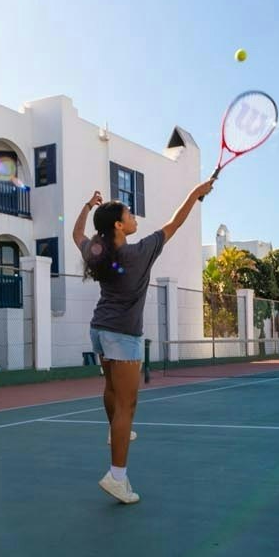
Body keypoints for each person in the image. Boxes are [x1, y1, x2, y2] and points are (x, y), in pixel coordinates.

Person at [75, 178, 215, 504]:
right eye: (129, 214)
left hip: (99, 331)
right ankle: (117, 478)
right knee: (128, 406)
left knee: (112, 390)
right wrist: (195, 193)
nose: (134, 217)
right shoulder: (138, 253)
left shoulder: (96, 251)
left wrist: (88, 206)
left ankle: (114, 430)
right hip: (123, 336)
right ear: (118, 225)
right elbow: (174, 224)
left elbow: (77, 234)